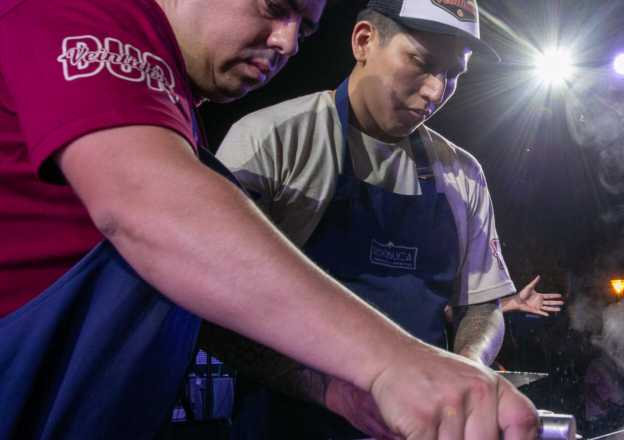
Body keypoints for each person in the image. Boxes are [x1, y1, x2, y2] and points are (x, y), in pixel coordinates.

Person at [0, 0, 537, 438]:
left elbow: (195, 292)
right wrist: (391, 363)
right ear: (363, 41)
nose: (287, 42)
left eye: (304, 28)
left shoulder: (178, 113)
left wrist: (344, 389)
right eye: (273, 6)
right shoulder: (74, 12)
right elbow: (151, 203)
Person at [215, 1, 557, 437]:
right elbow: (219, 312)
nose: (436, 90)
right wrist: (330, 390)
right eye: (422, 63)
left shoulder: (462, 174)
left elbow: (481, 306)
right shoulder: (273, 141)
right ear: (363, 41)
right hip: (287, 422)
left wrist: (466, 369)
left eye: (453, 74)